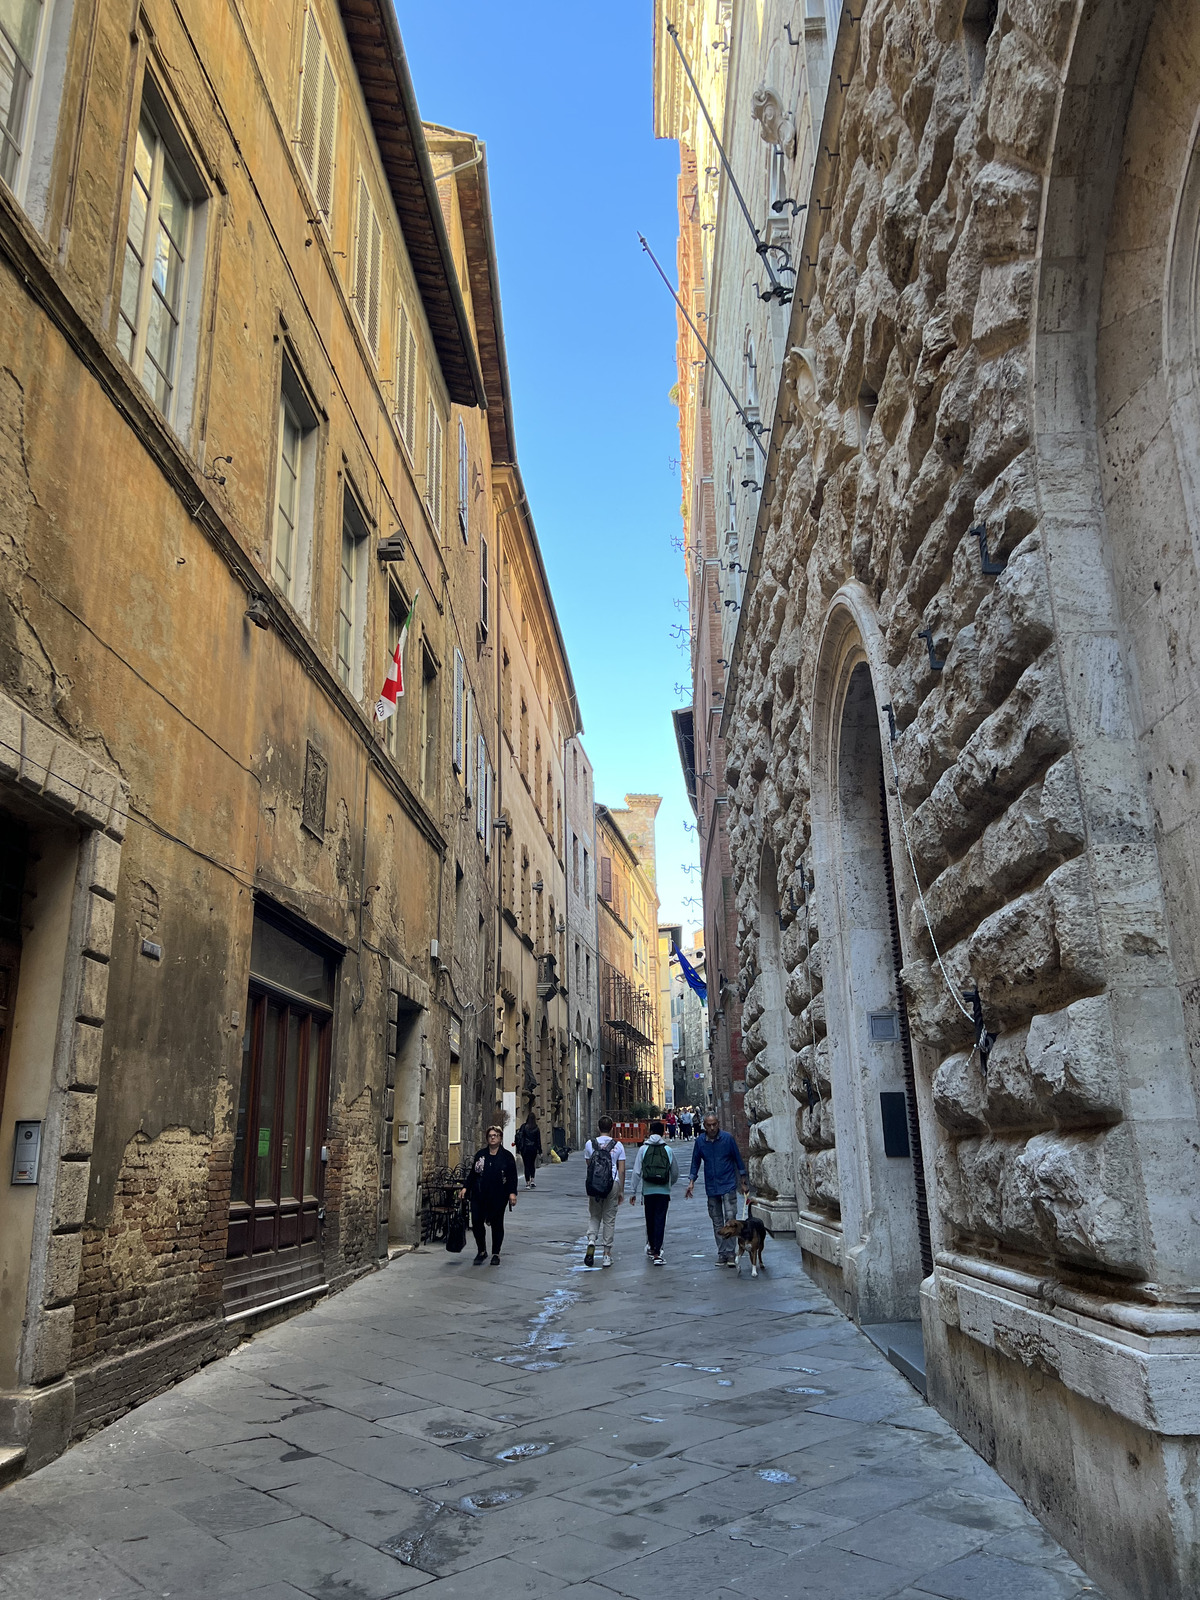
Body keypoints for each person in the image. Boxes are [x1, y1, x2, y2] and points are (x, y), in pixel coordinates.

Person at [685, 1113, 748, 1267]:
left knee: (730, 1217)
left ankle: (731, 1252)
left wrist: (743, 1179)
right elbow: (695, 1161)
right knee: (716, 1220)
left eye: (714, 1124)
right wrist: (691, 1181)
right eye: (708, 1125)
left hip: (728, 1183)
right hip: (712, 1186)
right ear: (704, 1126)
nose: (712, 1128)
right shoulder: (700, 1141)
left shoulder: (727, 1139)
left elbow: (737, 1158)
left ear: (718, 1123)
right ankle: (722, 1253)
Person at [459, 1124, 518, 1265]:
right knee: (477, 1222)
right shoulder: (481, 1155)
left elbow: (512, 1176)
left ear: (500, 1138)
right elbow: (473, 1174)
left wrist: (512, 1193)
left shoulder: (507, 1157)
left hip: (498, 1196)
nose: (492, 1138)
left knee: (497, 1224)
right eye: (490, 1136)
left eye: (495, 1135)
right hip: (479, 1194)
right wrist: (465, 1187)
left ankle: (496, 1253)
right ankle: (481, 1250)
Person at [628, 1119, 680, 1263]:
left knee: (649, 1220)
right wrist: (669, 1184)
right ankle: (658, 1252)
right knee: (660, 1220)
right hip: (663, 1192)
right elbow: (675, 1172)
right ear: (663, 1133)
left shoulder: (643, 1149)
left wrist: (633, 1191)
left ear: (650, 1132)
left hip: (648, 1191)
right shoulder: (668, 1150)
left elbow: (637, 1172)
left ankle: (651, 1247)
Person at [582, 1115, 625, 1268]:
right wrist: (621, 1190)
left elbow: (589, 1165)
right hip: (612, 1183)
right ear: (612, 1127)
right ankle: (606, 1254)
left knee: (594, 1215)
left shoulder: (590, 1144)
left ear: (598, 1128)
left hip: (594, 1184)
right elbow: (621, 1170)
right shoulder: (618, 1146)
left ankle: (592, 1240)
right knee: (609, 1219)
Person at [515, 1113, 542, 1188]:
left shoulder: (523, 1127)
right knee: (532, 1164)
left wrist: (518, 1148)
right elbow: (538, 1140)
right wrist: (540, 1150)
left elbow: (519, 1137)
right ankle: (532, 1180)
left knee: (526, 1165)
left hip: (525, 1149)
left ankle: (527, 1182)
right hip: (533, 1149)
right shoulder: (536, 1128)